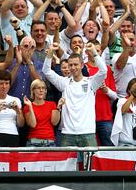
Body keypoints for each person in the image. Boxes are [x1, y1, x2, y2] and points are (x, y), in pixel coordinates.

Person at [42, 42, 107, 170]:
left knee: (91, 169)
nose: (73, 67)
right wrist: (50, 53)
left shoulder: (91, 83)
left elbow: (103, 71)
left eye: (76, 64)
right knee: (65, 170)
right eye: (70, 65)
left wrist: (94, 52)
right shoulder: (64, 83)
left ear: (82, 65)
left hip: (87, 132)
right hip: (67, 133)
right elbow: (46, 71)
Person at [23, 79, 63, 147]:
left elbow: (54, 122)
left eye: (43, 88)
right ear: (33, 91)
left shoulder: (52, 104)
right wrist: (30, 106)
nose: (41, 90)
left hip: (49, 141)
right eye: (38, 88)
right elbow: (33, 124)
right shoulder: (28, 106)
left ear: (45, 91)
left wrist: (58, 107)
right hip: (33, 142)